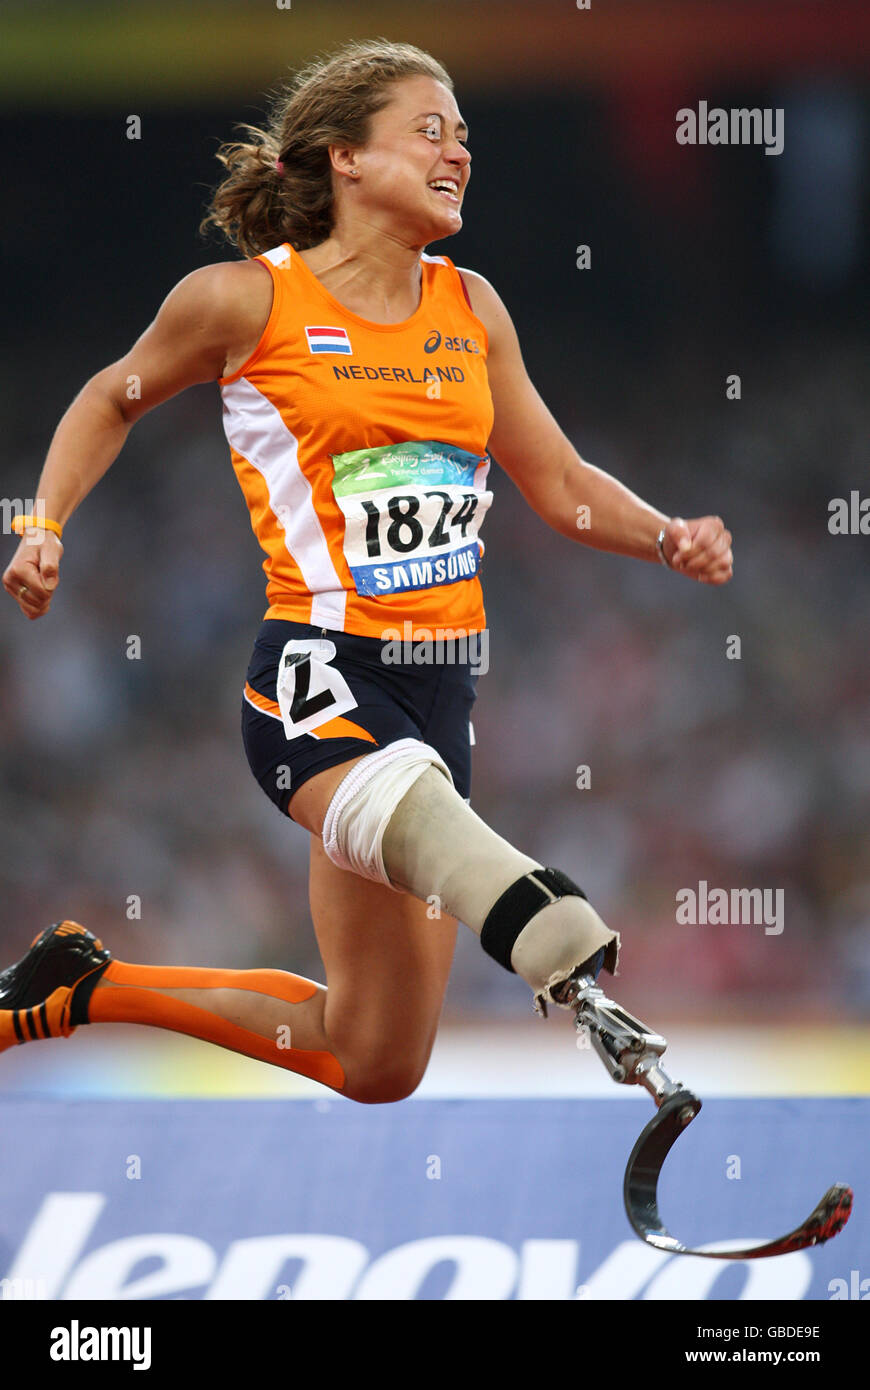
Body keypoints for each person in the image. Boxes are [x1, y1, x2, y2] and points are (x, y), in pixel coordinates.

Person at [0, 39, 732, 1104]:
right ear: (344, 158)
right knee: (443, 834)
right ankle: (559, 942)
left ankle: (77, 989)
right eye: (429, 130)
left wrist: (666, 534)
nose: (460, 152)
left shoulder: (472, 309)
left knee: (372, 1057)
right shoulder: (243, 302)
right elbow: (108, 398)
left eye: (466, 135)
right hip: (319, 680)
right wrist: (42, 521)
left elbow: (561, 478)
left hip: (442, 690)